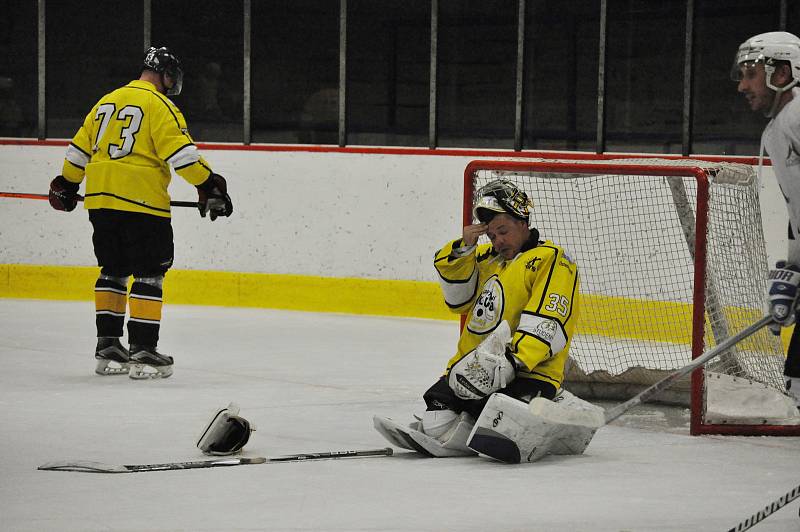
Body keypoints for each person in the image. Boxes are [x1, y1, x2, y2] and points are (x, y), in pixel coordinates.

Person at [48, 46, 233, 379]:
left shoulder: (105, 101)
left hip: (100, 200)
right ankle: (144, 350)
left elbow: (77, 152)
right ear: (165, 75)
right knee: (149, 273)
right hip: (143, 203)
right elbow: (183, 158)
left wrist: (66, 185)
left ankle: (108, 344)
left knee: (112, 270)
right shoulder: (160, 105)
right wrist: (210, 185)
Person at [375, 179, 581, 457]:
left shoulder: (551, 258)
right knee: (436, 423)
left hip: (527, 371)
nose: (498, 241)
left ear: (523, 222)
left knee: (499, 424)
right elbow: (457, 300)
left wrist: (512, 361)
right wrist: (464, 248)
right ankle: (471, 427)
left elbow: (550, 319)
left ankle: (551, 404)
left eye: (504, 231)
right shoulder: (486, 258)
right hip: (474, 371)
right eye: (492, 235)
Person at [732, 31, 800, 406]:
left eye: (751, 74)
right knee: (796, 377)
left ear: (782, 72)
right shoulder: (782, 124)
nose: (742, 85)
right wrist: (793, 269)